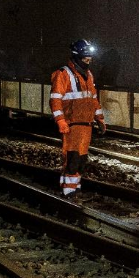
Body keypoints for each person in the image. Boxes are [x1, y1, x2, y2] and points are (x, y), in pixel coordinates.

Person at [50, 39, 105, 198]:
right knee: (72, 158)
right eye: (85, 59)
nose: (88, 62)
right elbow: (55, 100)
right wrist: (60, 121)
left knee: (81, 159)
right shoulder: (63, 74)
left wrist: (99, 119)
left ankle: (74, 187)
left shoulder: (88, 75)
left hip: (86, 125)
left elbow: (93, 99)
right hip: (72, 125)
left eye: (89, 59)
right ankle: (68, 191)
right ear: (76, 57)